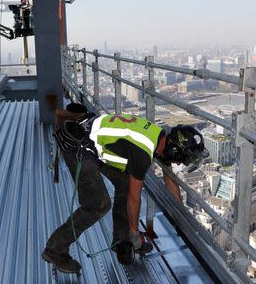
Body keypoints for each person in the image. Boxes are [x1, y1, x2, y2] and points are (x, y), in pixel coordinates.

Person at [42, 103, 209, 273]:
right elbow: (134, 198)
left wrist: (183, 219)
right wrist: (136, 234)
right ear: (174, 151)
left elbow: (171, 182)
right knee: (98, 205)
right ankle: (55, 249)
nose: (181, 163)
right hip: (79, 146)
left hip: (94, 143)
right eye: (183, 159)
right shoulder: (143, 152)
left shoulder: (159, 138)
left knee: (125, 183)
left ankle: (122, 240)